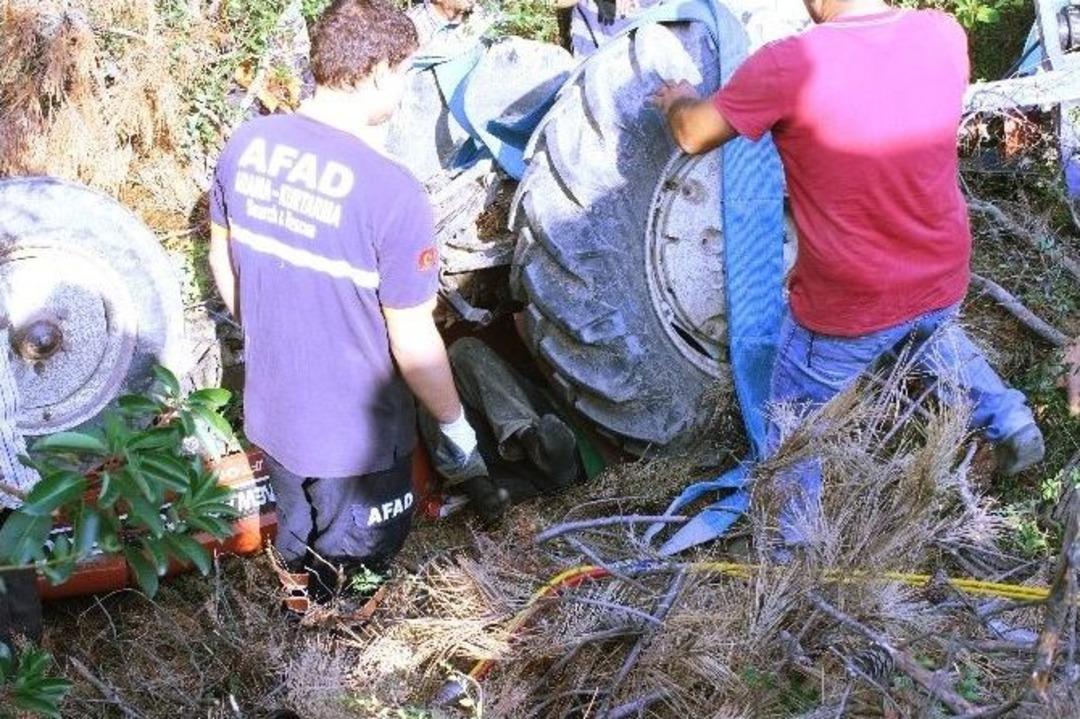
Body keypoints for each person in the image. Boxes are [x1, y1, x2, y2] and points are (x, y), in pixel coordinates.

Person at [653, 0, 1044, 545]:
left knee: (793, 420)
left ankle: (795, 547)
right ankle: (1006, 415)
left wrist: (678, 100)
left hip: (851, 298)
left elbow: (693, 133)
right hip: (942, 266)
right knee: (928, 331)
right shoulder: (942, 34)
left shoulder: (790, 64)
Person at [208, 0, 502, 613]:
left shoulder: (248, 144)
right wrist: (453, 427)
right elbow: (414, 342)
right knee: (365, 558)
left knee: (295, 538)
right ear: (373, 73)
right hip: (356, 440)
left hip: (273, 412)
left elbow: (222, 263)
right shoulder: (392, 193)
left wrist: (270, 334)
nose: (401, 87)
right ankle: (340, 644)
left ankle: (297, 611)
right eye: (401, 72)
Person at [419, 337, 583, 505]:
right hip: (497, 472)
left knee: (463, 350)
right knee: (426, 385)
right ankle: (480, 487)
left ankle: (530, 440)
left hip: (527, 449)